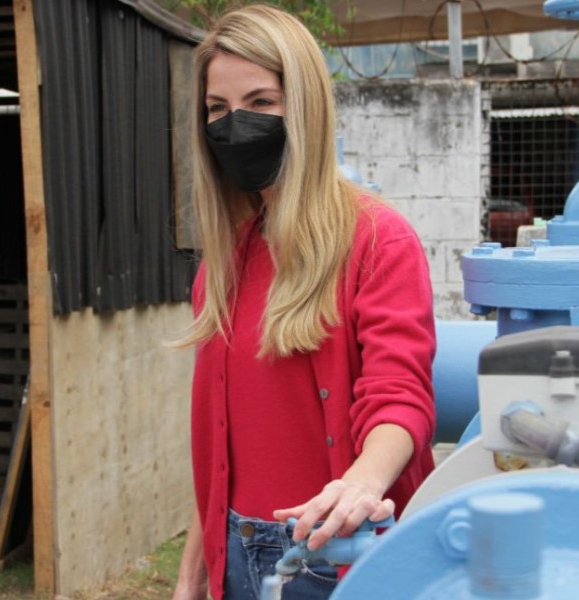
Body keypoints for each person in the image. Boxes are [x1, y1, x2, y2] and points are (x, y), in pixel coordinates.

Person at [173, 5, 436, 599]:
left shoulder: (375, 240)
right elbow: (220, 454)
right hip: (236, 556)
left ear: (306, 108)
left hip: (337, 555)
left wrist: (363, 483)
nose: (235, 123)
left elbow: (400, 393)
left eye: (261, 102)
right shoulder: (225, 263)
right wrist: (192, 576)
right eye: (218, 109)